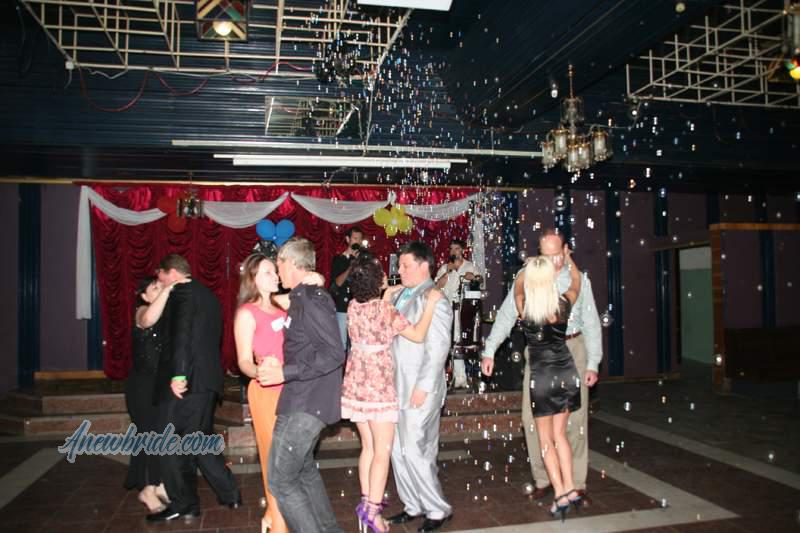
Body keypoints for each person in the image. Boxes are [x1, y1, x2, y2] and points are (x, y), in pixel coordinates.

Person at [481, 228, 602, 505]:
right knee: (531, 422)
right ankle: (544, 479)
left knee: (574, 423)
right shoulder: (530, 278)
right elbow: (506, 316)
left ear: (566, 251)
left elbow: (592, 323)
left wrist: (593, 362)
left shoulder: (578, 281)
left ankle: (576, 484)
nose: (551, 260)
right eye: (544, 255)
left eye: (555, 254)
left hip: (573, 348)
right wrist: (489, 350)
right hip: (537, 357)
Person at [341, 254, 444, 533]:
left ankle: (365, 507)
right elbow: (418, 334)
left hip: (356, 385)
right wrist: (431, 305)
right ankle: (374, 515)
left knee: (368, 448)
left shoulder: (353, 306)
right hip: (378, 387)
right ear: (377, 281)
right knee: (382, 452)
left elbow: (373, 309)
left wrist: (385, 293)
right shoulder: (386, 311)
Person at [258, 237, 346, 533]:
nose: (278, 271)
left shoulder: (310, 298)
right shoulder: (301, 297)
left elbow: (334, 353)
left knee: (281, 481)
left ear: (293, 264)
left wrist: (285, 372)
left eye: (279, 265)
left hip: (308, 403)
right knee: (304, 471)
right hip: (301, 399)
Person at [148, 254, 241, 522]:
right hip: (206, 380)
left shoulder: (182, 292)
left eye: (160, 274)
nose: (159, 280)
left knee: (167, 442)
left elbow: (182, 335)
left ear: (172, 273)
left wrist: (178, 374)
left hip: (187, 380)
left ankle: (184, 503)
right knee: (199, 440)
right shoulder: (208, 295)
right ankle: (230, 494)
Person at [387, 241, 453, 533]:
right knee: (397, 450)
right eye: (400, 265)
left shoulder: (435, 298)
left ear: (424, 265)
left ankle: (437, 508)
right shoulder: (399, 294)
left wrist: (424, 386)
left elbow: (438, 348)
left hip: (418, 387)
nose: (399, 270)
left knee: (416, 449)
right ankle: (412, 504)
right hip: (395, 385)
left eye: (406, 265)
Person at [513, 251, 582, 520]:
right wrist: (568, 258)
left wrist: (526, 269)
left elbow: (518, 286)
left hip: (542, 377)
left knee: (545, 440)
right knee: (560, 435)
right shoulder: (562, 304)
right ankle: (571, 488)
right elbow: (576, 281)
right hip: (566, 372)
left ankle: (561, 493)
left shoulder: (526, 308)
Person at [233, 254, 289, 533]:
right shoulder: (247, 313)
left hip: (291, 388)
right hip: (266, 390)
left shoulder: (282, 306)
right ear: (253, 279)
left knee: (290, 460)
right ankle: (278, 524)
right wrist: (261, 370)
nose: (276, 276)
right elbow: (243, 361)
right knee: (274, 459)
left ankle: (271, 515)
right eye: (268, 272)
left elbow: (312, 285)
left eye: (275, 271)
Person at [124, 276, 181, 512]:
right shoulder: (141, 312)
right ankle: (147, 489)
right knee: (149, 435)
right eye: (155, 288)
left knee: (163, 434)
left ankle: (159, 483)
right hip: (142, 386)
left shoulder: (168, 319)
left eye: (162, 286)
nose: (161, 289)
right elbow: (148, 320)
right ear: (144, 296)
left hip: (162, 385)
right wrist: (167, 290)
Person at [434, 239, 479, 388]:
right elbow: (436, 287)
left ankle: (461, 377)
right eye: (451, 249)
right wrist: (447, 272)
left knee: (460, 340)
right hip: (446, 311)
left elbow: (480, 281)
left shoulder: (470, 266)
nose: (453, 251)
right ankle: (453, 377)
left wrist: (474, 278)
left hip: (464, 310)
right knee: (448, 341)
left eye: (457, 248)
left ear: (463, 250)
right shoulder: (445, 268)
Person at [330, 226, 365, 349]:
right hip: (343, 307)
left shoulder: (363, 260)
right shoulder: (339, 259)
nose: (358, 242)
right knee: (342, 343)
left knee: (357, 344)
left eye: (360, 239)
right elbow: (337, 283)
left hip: (359, 306)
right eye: (355, 238)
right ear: (347, 239)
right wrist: (351, 266)